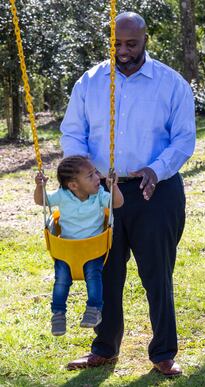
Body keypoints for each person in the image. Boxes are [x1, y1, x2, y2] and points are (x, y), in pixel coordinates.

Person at [60, 12, 196, 376]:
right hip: (101, 190)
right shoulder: (90, 82)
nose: (122, 51)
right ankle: (104, 348)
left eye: (130, 44)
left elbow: (184, 139)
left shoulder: (171, 83)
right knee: (104, 273)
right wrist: (84, 173)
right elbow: (72, 133)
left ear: (145, 39)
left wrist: (156, 169)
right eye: (116, 44)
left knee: (157, 274)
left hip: (156, 191)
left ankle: (164, 353)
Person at [34, 156, 124, 336]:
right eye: (90, 176)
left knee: (93, 276)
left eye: (96, 173)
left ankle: (94, 309)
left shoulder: (99, 196)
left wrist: (113, 186)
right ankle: (58, 313)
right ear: (73, 186)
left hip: (93, 250)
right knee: (61, 280)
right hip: (67, 251)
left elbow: (117, 203)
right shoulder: (63, 195)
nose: (98, 177)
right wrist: (39, 186)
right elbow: (41, 201)